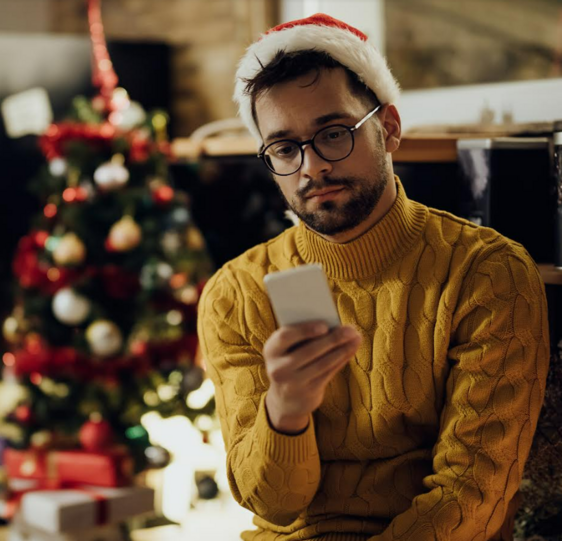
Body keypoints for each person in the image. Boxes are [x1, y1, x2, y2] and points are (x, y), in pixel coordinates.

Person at [197, 13, 550, 541]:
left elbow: (472, 494)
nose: (311, 167)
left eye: (333, 134)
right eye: (285, 149)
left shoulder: (488, 272)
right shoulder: (235, 293)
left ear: (388, 128)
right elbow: (272, 506)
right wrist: (285, 410)